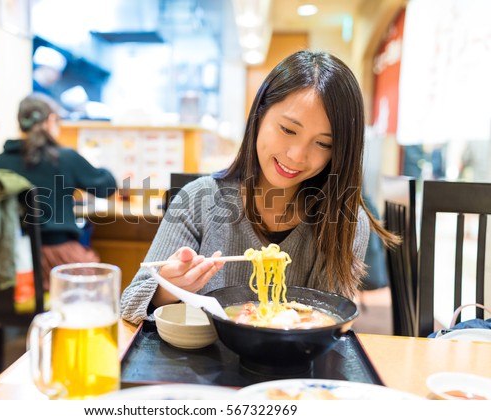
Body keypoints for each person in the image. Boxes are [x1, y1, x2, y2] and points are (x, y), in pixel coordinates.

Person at [121, 50, 399, 325]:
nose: (297, 156)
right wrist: (167, 288)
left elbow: (332, 323)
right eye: (288, 130)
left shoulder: (345, 222)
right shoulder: (198, 200)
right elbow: (130, 304)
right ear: (259, 115)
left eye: (323, 143)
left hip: (296, 366)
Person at [0, 93, 117, 288]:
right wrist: (92, 163)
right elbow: (106, 187)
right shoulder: (64, 157)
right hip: (59, 257)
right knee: (101, 288)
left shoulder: (0, 161)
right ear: (51, 120)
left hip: (14, 261)